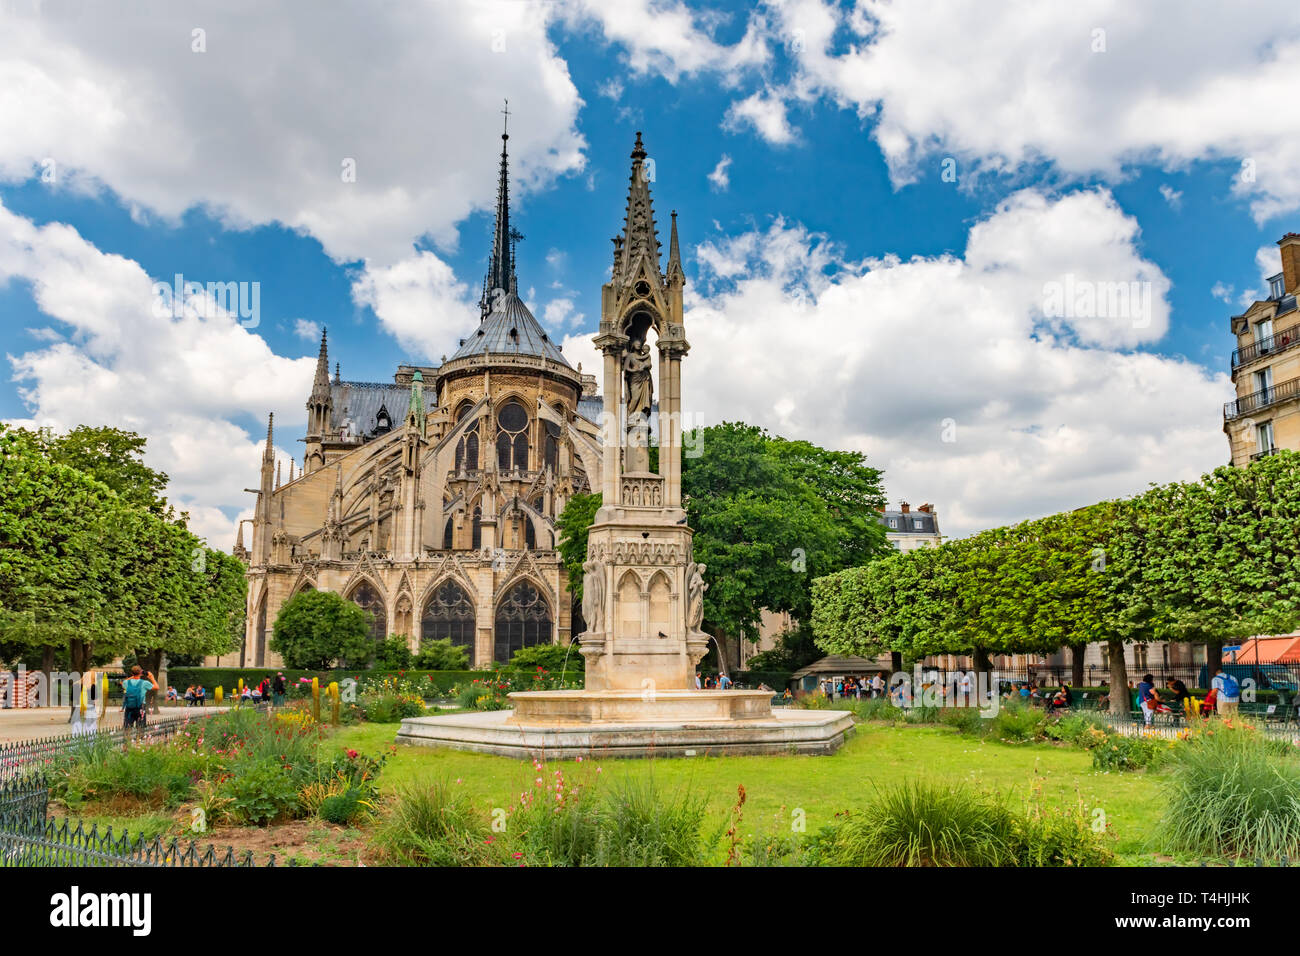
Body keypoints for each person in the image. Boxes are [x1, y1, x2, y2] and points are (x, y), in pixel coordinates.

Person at [121, 666, 157, 738]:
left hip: (129, 707)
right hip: (140, 707)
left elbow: (123, 682)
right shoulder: (144, 683)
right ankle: (138, 744)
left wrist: (133, 676)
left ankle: (126, 746)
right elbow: (156, 687)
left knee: (127, 728)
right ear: (141, 673)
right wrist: (152, 677)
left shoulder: (126, 683)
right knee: (140, 728)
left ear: (132, 673)